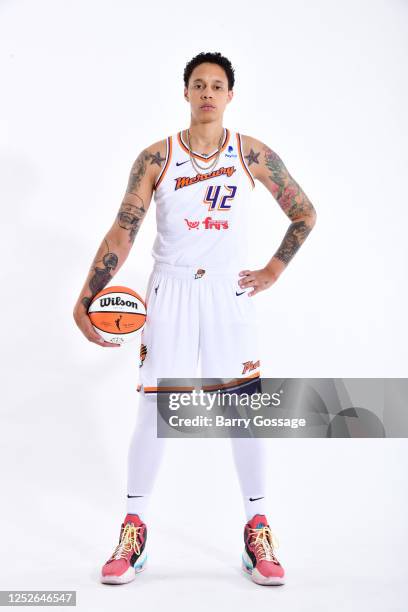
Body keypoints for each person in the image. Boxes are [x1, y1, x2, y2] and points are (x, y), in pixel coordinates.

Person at [73, 51, 317, 587]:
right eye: (199, 84)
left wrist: (275, 268)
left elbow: (304, 211)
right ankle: (133, 527)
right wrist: (86, 294)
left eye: (217, 85)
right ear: (185, 93)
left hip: (229, 294)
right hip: (172, 293)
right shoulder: (154, 159)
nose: (208, 92)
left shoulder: (250, 153)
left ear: (231, 95)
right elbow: (123, 231)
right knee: (157, 412)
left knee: (243, 412)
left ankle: (257, 525)